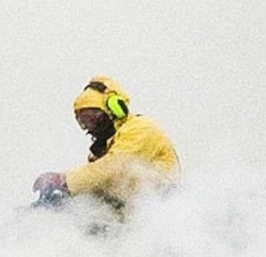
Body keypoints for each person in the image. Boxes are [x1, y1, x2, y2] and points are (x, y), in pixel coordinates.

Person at [33, 78, 178, 215]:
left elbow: (113, 168)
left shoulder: (140, 129)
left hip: (161, 205)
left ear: (114, 108)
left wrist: (63, 180)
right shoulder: (105, 147)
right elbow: (97, 186)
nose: (89, 128)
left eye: (92, 118)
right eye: (82, 121)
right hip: (132, 212)